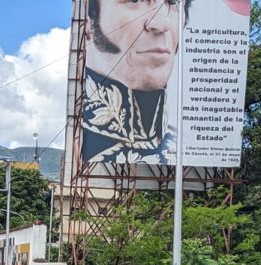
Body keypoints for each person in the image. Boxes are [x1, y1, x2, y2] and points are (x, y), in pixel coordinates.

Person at [83, 0, 194, 164]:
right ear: (87, 17)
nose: (161, 23)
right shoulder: (81, 143)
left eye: (172, 2)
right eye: (135, 1)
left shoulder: (184, 147)